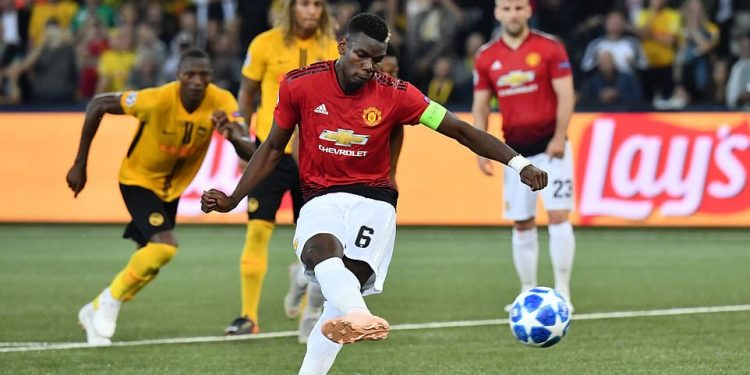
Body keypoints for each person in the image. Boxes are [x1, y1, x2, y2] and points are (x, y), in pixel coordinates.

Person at [201, 13, 547, 374]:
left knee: (339, 296)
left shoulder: (397, 94)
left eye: (377, 59)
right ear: (343, 46)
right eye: (362, 56)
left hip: (375, 201)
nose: (369, 67)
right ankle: (361, 315)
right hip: (320, 196)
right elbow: (272, 148)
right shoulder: (298, 86)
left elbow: (460, 130)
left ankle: (346, 321)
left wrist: (520, 164)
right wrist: (233, 197)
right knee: (321, 252)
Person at [66, 48, 255, 346]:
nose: (196, 80)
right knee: (165, 246)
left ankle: (95, 310)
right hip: (137, 180)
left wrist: (232, 135)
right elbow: (98, 103)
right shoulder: (155, 99)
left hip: (172, 190)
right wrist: (80, 163)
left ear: (211, 77)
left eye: (203, 74)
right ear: (178, 75)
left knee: (152, 262)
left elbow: (252, 150)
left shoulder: (221, 101)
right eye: (189, 74)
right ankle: (107, 301)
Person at [225, 0, 339, 342]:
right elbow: (246, 93)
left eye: (317, 5)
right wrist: (244, 142)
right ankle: (248, 315)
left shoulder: (332, 48)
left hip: (315, 157)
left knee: (315, 239)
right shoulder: (264, 43)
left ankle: (307, 298)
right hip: (270, 153)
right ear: (291, 8)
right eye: (305, 4)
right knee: (257, 231)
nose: (311, 11)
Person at [472, 0, 577, 312]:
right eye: (506, 8)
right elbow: (480, 105)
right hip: (514, 154)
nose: (512, 14)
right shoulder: (486, 56)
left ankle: (563, 292)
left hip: (551, 148)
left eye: (518, 7)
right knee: (521, 222)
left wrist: (559, 137)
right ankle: (527, 292)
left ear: (529, 11)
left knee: (558, 215)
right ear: (496, 12)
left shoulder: (550, 48)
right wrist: (481, 147)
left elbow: (567, 94)